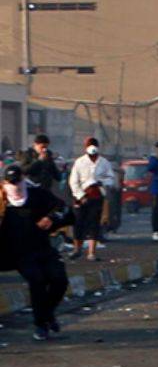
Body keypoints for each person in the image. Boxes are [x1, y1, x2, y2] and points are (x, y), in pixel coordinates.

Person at [0, 164, 72, 341]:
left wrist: (50, 218)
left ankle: (47, 314)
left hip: (43, 247)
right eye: (11, 183)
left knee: (60, 280)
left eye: (18, 182)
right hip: (18, 253)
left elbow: (61, 207)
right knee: (37, 281)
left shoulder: (37, 195)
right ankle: (41, 325)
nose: (15, 187)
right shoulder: (2, 201)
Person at [67, 137, 115, 261]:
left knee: (94, 224)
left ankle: (91, 252)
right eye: (89, 145)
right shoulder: (79, 162)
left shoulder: (104, 162)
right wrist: (80, 196)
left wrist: (101, 182)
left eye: (94, 145)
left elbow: (111, 178)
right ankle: (77, 249)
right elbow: (73, 181)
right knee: (78, 223)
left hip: (97, 195)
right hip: (82, 196)